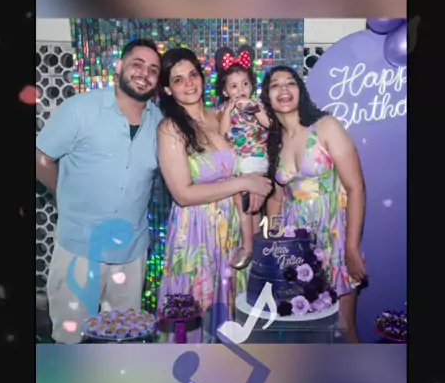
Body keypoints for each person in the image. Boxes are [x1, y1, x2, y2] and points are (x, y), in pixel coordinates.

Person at [36, 39, 163, 343]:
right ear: (119, 67)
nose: (144, 73)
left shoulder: (159, 121)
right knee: (70, 338)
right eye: (137, 64)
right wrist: (63, 196)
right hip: (79, 248)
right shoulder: (81, 109)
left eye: (153, 70)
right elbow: (41, 158)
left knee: (122, 338)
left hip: (131, 252)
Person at [156, 48, 272, 342]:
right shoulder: (170, 129)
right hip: (196, 233)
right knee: (196, 315)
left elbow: (251, 153)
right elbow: (183, 194)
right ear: (167, 89)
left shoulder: (221, 116)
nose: (189, 83)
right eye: (178, 79)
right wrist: (244, 182)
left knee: (232, 315)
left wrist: (257, 183)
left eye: (193, 75)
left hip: (232, 229)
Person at [261, 65, 366, 343]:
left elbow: (355, 187)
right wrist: (272, 247)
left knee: (343, 330)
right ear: (267, 97)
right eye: (275, 85)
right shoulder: (273, 143)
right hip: (297, 248)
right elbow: (276, 199)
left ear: (300, 90)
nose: (283, 89)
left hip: (333, 239)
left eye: (290, 82)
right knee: (306, 334)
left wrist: (352, 248)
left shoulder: (326, 126)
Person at [215, 46, 270, 268]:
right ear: (225, 91)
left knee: (242, 199)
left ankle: (247, 247)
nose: (241, 90)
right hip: (238, 162)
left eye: (245, 84)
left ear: (252, 86)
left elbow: (269, 124)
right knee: (251, 206)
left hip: (255, 159)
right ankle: (256, 244)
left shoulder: (258, 105)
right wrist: (228, 110)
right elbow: (223, 134)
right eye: (234, 86)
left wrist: (256, 109)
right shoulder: (223, 110)